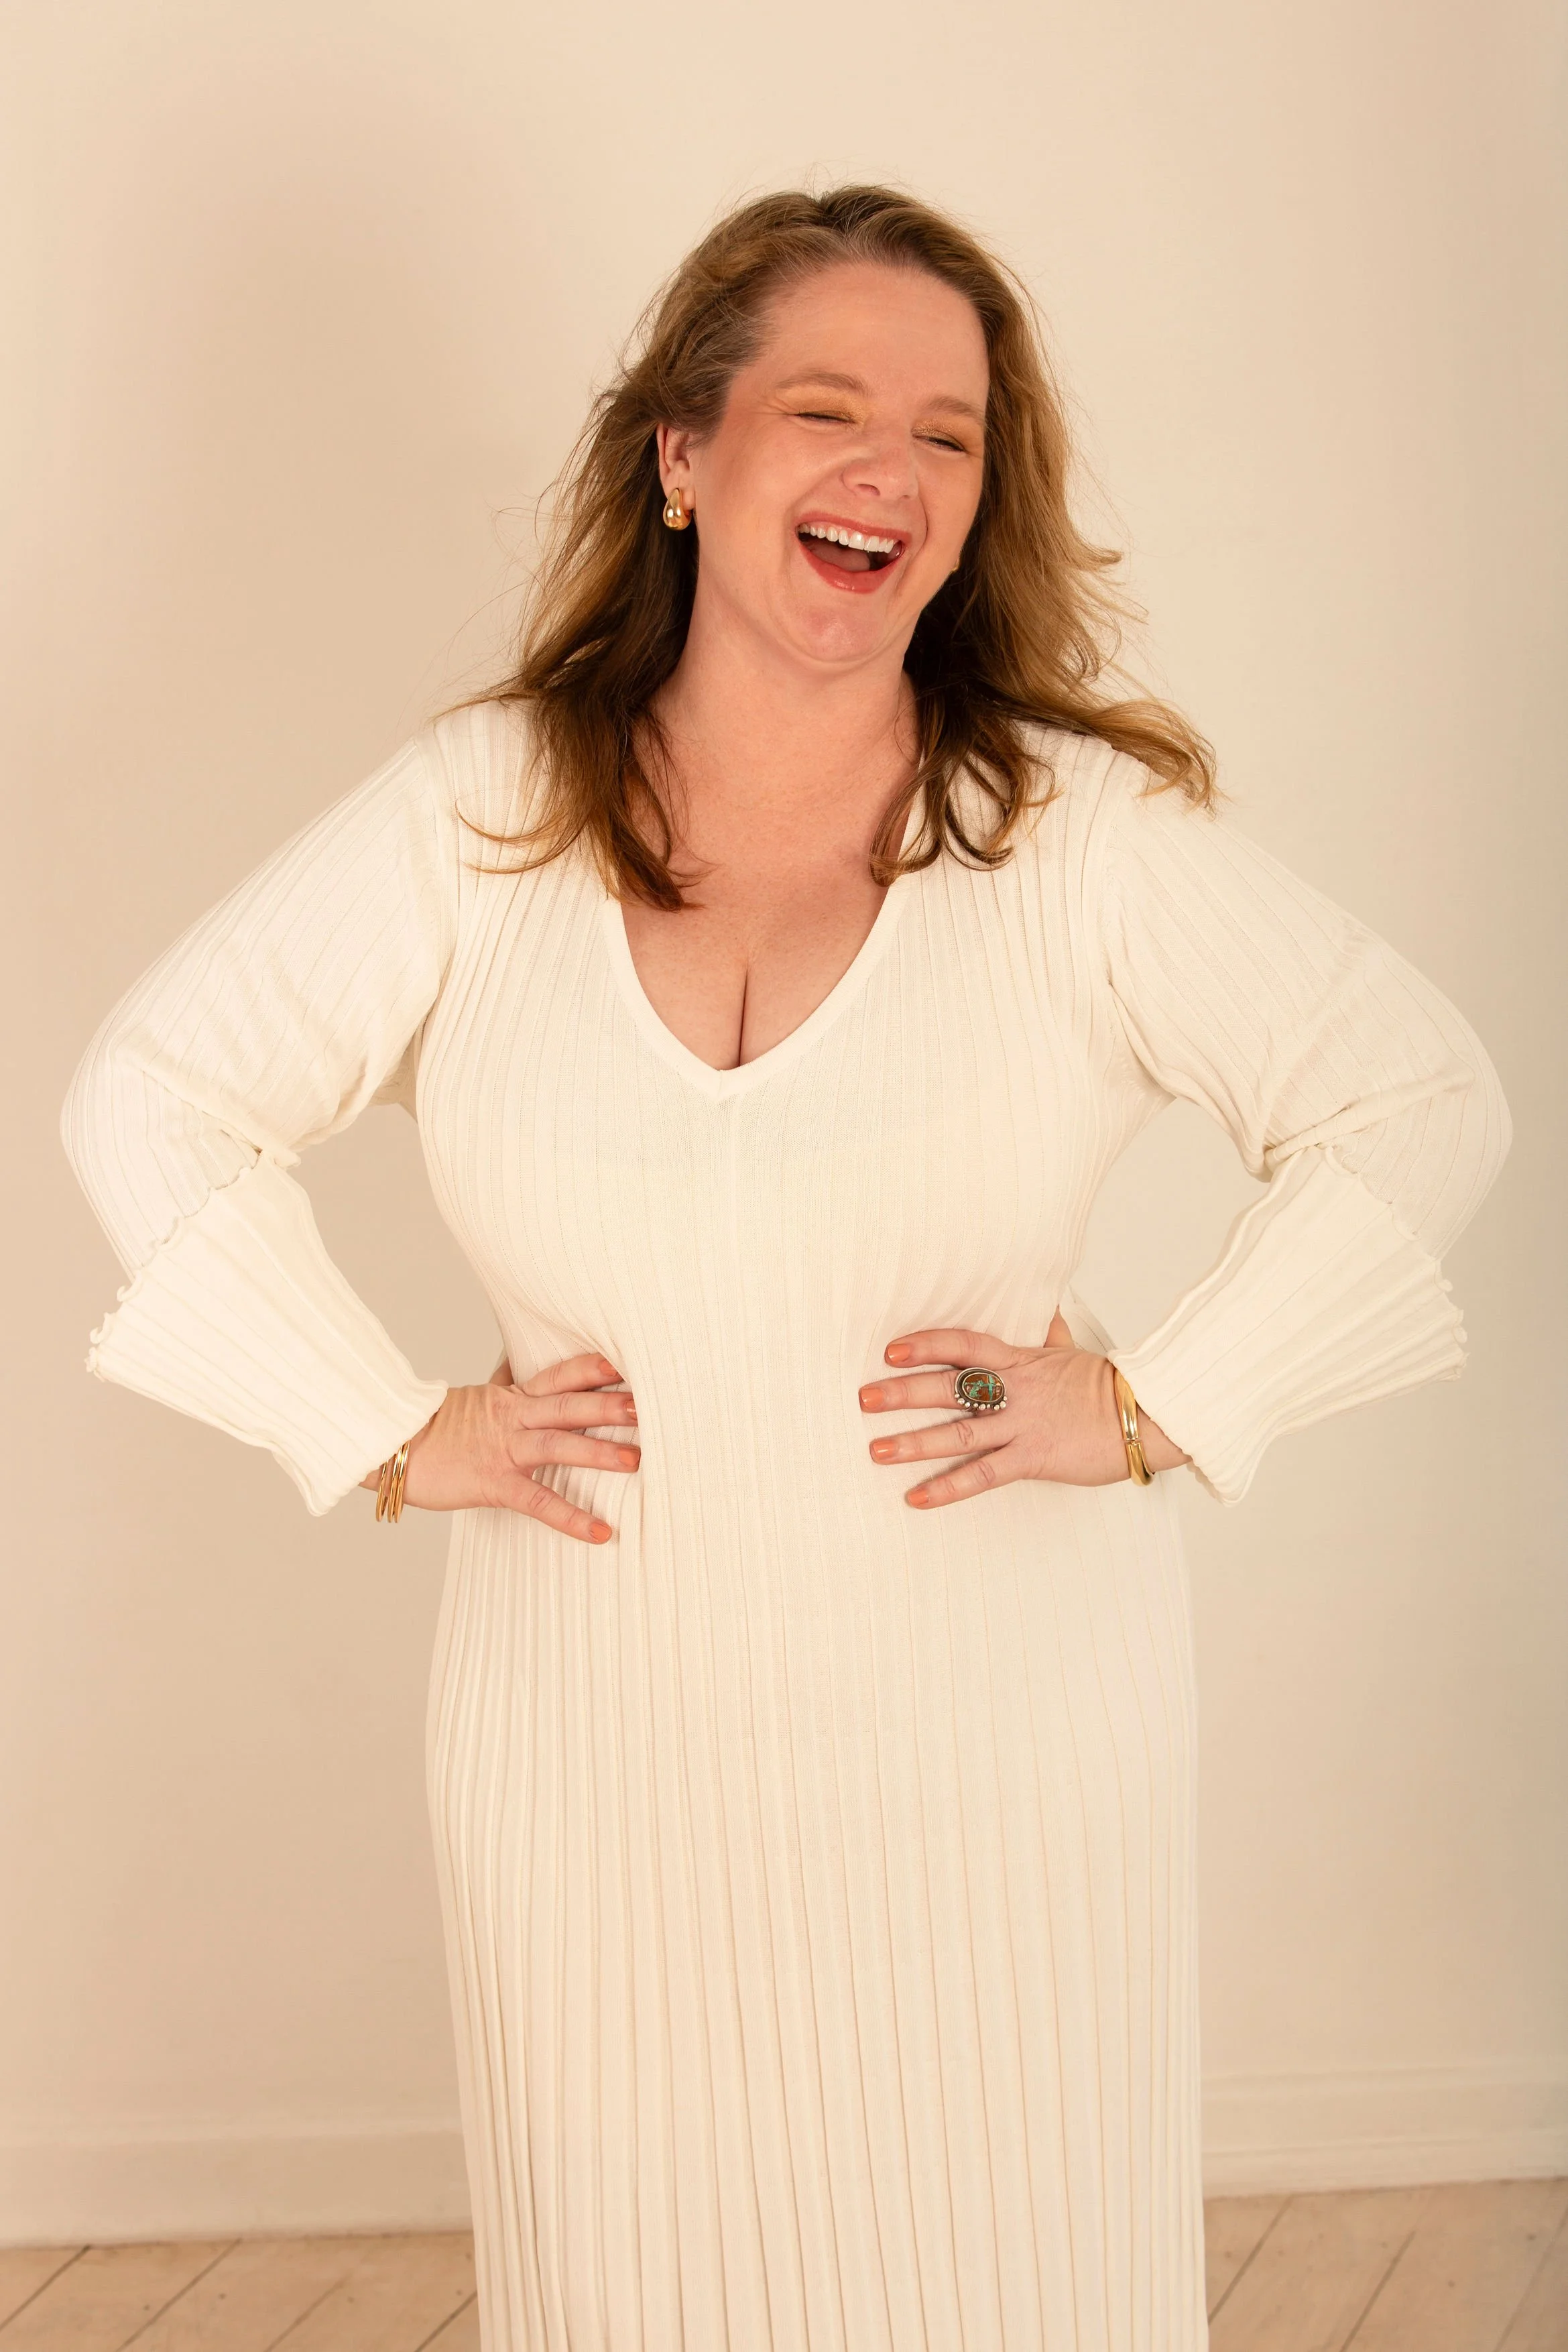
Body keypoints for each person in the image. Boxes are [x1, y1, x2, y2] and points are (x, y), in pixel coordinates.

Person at [60, 184, 1510, 2351]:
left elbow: (1420, 1096)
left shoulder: (1070, 840)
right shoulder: (485, 814)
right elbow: (153, 1091)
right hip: (585, 1762)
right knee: (632, 2281)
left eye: (948, 435)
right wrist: (379, 1427)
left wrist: (1156, 1402)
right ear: (683, 453)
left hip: (1004, 1760)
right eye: (828, 409)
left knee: (1013, 2276)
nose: (889, 471)